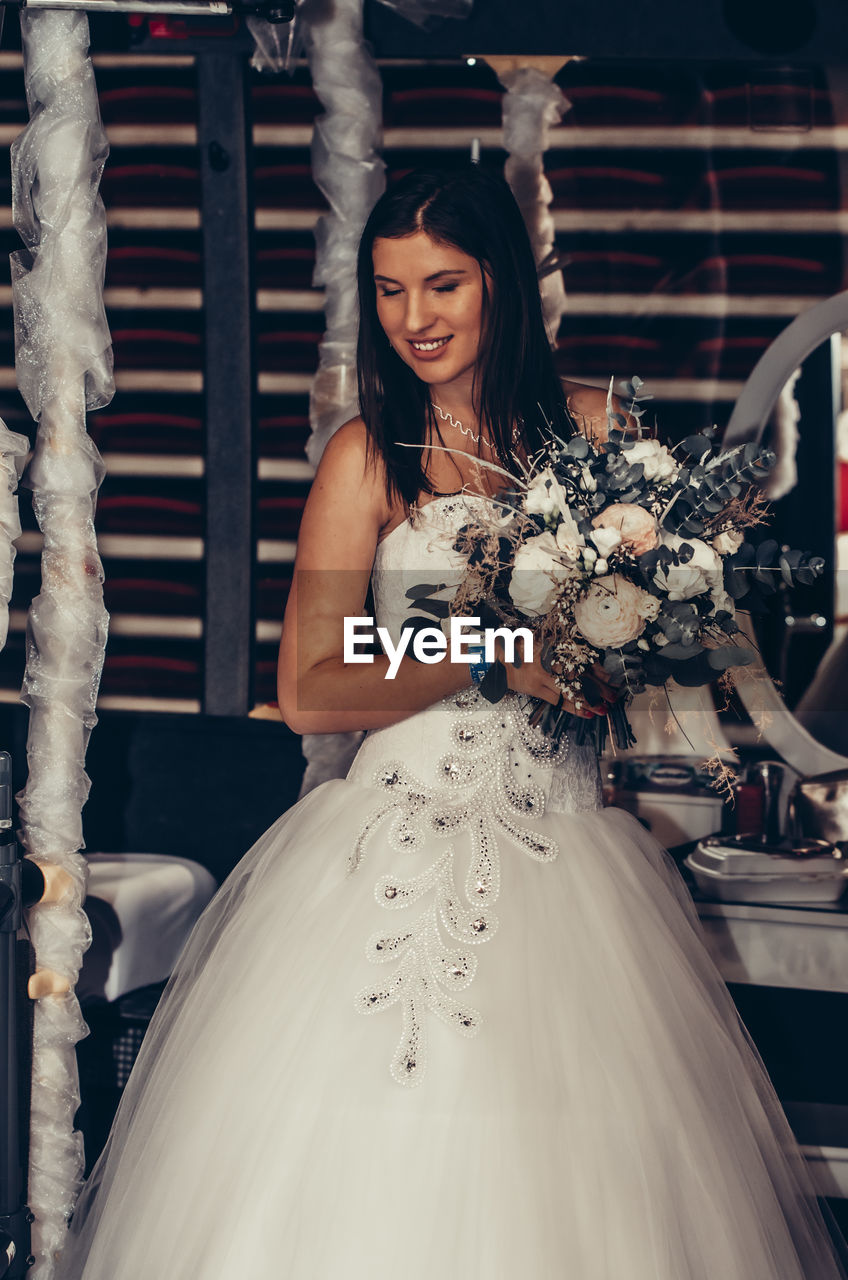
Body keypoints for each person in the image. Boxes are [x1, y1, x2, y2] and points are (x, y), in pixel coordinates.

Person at [57, 167, 848, 1278]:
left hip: (565, 849)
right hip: (398, 840)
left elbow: (629, 640)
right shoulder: (367, 453)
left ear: (500, 287)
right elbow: (311, 684)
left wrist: (612, 642)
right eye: (387, 291)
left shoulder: (596, 435)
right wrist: (477, 650)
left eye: (441, 285)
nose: (413, 319)